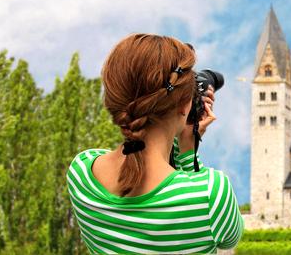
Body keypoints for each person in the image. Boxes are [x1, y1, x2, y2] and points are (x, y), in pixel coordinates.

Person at [66, 34, 244, 254]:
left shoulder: (81, 172)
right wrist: (188, 152)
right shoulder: (211, 195)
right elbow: (228, 241)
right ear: (183, 105)